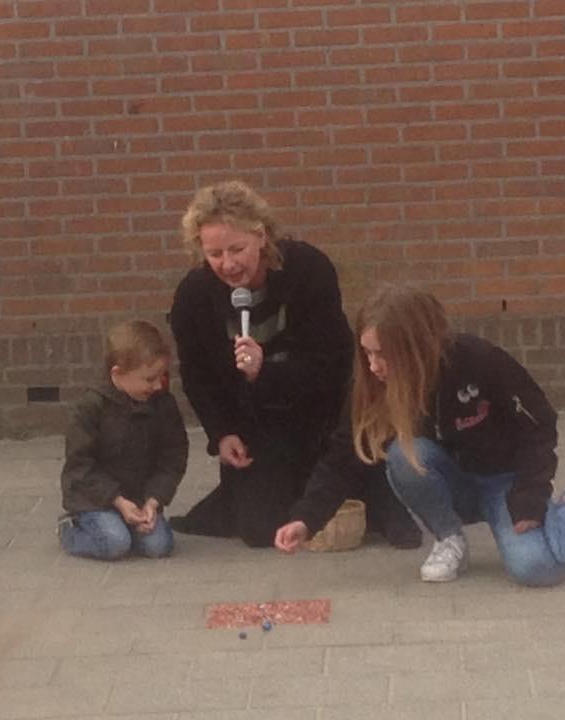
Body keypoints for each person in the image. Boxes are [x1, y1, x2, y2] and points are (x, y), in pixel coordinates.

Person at [275, 285, 565, 587]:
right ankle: (449, 538)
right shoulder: (374, 385)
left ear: (416, 346)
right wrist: (306, 518)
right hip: (450, 483)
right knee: (404, 455)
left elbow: (539, 425)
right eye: (367, 353)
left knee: (536, 568)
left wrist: (531, 498)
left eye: (383, 354)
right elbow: (346, 452)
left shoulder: (479, 360)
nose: (373, 366)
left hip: (504, 483)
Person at [169, 180, 419, 548]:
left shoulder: (308, 269)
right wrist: (221, 432)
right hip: (260, 423)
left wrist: (265, 371)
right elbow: (196, 375)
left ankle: (377, 495)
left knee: (350, 458)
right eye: (215, 254)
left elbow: (334, 363)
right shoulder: (192, 297)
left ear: (261, 236)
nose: (228, 264)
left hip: (322, 410)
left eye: (237, 249)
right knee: (258, 530)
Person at [58, 320, 188, 561]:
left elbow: (173, 456)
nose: (158, 385)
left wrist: (153, 501)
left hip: (139, 495)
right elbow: (81, 466)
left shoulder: (163, 404)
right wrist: (117, 501)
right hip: (97, 499)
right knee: (115, 544)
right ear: (117, 374)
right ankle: (70, 529)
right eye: (149, 379)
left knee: (159, 546)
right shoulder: (91, 407)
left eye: (162, 376)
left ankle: (129, 523)